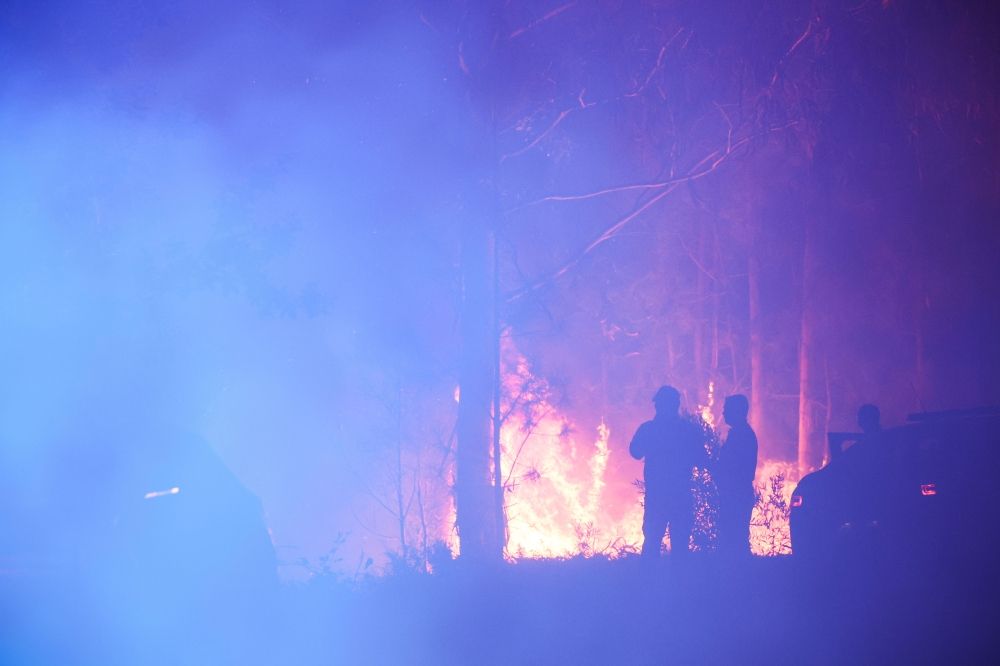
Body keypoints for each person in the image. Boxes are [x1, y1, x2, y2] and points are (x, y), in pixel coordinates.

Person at [629, 385, 709, 560]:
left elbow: (635, 452)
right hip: (681, 494)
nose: (656, 407)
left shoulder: (649, 429)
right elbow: (702, 459)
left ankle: (649, 576)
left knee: (652, 541)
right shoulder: (687, 430)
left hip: (657, 495)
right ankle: (678, 576)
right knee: (680, 543)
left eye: (658, 403)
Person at [714, 394, 759, 557]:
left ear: (737, 411)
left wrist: (714, 467)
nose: (723, 412)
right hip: (737, 493)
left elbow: (732, 467)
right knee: (736, 538)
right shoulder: (742, 434)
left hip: (736, 494)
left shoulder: (741, 436)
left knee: (734, 539)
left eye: (726, 409)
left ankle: (736, 569)